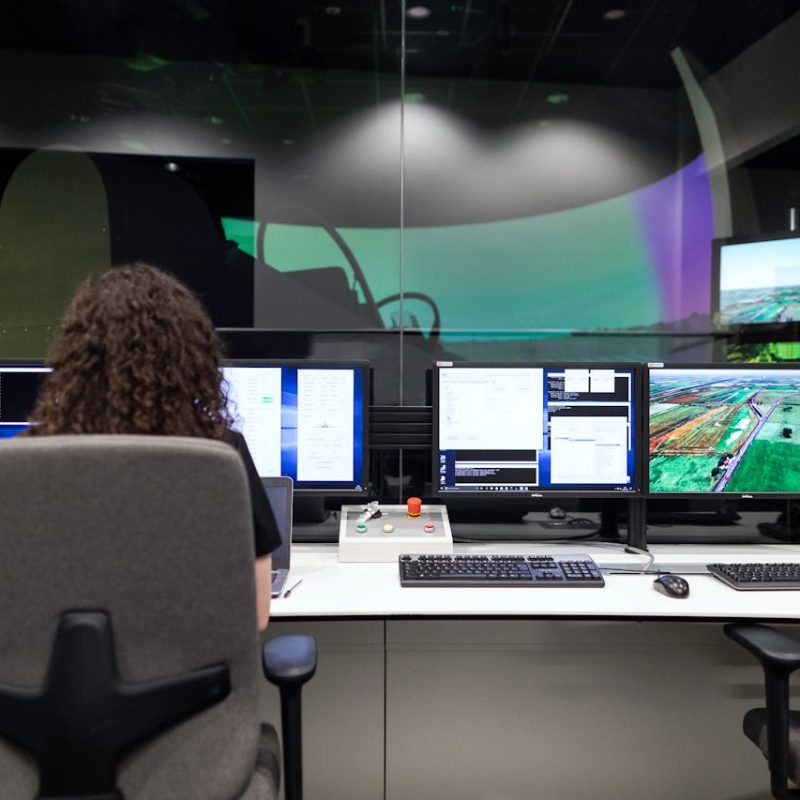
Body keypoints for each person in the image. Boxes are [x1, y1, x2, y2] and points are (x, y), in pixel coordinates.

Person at [27, 262, 279, 629]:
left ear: (76, 357)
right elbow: (255, 616)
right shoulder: (220, 455)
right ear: (188, 358)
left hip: (59, 682)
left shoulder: (27, 461)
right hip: (188, 682)